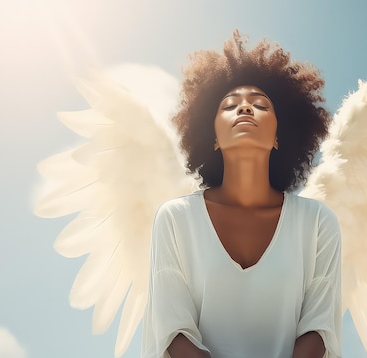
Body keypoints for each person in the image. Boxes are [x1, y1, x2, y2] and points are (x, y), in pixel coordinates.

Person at [141, 31, 342, 358]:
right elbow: (172, 331)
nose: (245, 108)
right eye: (230, 106)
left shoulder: (318, 223)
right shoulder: (176, 219)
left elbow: (319, 330)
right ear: (214, 137)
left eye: (260, 105)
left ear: (278, 136)